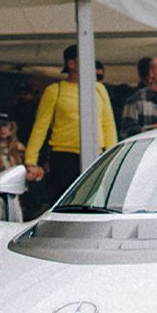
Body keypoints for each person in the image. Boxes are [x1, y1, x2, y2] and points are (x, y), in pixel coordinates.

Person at [25, 45, 118, 206]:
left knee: (93, 203)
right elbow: (40, 127)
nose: (91, 65)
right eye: (85, 60)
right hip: (63, 156)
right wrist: (30, 159)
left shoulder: (99, 89)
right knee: (63, 203)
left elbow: (108, 124)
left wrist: (113, 156)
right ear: (71, 64)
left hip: (95, 154)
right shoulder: (55, 90)